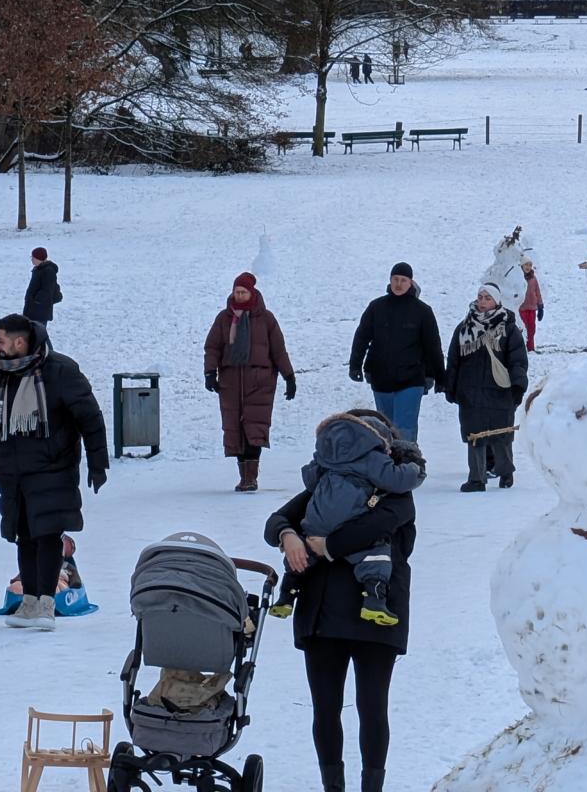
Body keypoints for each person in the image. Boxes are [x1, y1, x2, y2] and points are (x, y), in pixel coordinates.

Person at [265, 410, 416, 792]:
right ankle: (333, 786)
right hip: (323, 615)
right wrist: (288, 535)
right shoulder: (327, 484)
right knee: (327, 708)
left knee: (371, 707)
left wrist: (328, 545)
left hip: (375, 616)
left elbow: (375, 526)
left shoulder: (397, 495)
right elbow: (276, 521)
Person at [0, 314, 108, 631]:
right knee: (23, 535)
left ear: (19, 342)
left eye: (1, 340)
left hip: (53, 468)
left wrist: (98, 462)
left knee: (47, 534)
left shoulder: (60, 371)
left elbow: (90, 417)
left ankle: (47, 604)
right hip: (13, 470)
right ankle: (29, 602)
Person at [272, 412, 425, 626]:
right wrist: (287, 535)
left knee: (303, 556)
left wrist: (325, 545)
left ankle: (286, 594)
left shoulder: (329, 475)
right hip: (334, 621)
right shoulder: (377, 465)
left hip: (325, 619)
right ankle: (375, 597)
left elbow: (309, 477)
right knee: (376, 553)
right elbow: (370, 529)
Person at [204, 272, 296, 492]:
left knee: (254, 428)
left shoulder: (266, 319)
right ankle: (244, 477)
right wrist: (210, 373)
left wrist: (289, 377)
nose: (239, 295)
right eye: (237, 291)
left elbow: (278, 350)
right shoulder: (224, 318)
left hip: (259, 382)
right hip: (231, 382)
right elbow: (213, 347)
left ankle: (251, 478)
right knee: (235, 429)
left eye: (243, 292)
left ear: (252, 293)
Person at [442, 283, 529, 491]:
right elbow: (454, 360)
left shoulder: (508, 329)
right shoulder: (464, 328)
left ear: (496, 301)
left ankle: (505, 472)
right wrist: (450, 386)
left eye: (487, 298)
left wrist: (518, 385)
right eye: (480, 297)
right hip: (470, 392)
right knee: (474, 436)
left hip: (499, 390)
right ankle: (476, 479)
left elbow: (517, 360)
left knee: (501, 435)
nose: (482, 301)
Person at [349, 262, 446, 444]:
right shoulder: (376, 307)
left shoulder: (422, 311)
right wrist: (355, 365)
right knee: (384, 428)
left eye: (403, 280)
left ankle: (408, 460)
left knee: (404, 429)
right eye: (395, 279)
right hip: (380, 377)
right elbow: (361, 337)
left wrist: (440, 377)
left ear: (411, 282)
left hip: (411, 379)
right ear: (390, 280)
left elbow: (433, 346)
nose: (399, 284)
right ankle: (388, 461)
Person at [23, 247, 62, 325]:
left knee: (37, 331)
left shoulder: (48, 271)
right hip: (33, 310)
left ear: (39, 258)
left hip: (39, 311)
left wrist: (35, 301)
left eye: (33, 257)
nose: (32, 259)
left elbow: (47, 290)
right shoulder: (38, 269)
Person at [517, 258, 544, 353]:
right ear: (521, 265)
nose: (528, 267)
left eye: (530, 265)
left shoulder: (533, 278)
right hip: (521, 308)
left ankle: (531, 349)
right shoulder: (518, 277)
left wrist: (540, 306)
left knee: (531, 329)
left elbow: (537, 291)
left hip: (532, 308)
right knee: (523, 329)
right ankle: (522, 348)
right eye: (526, 264)